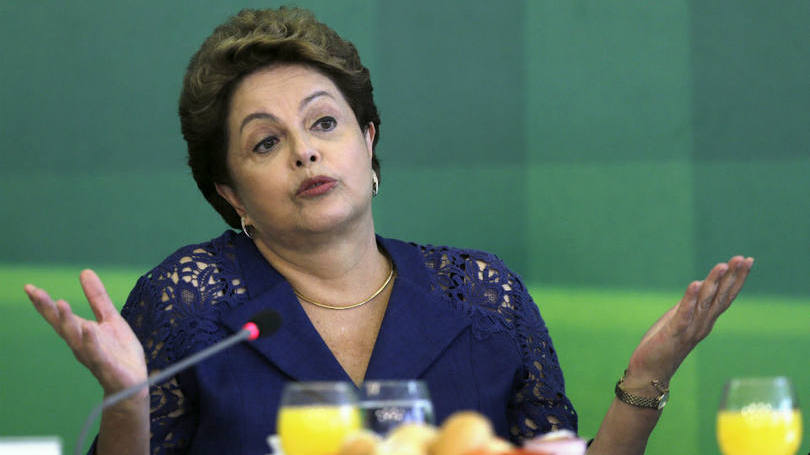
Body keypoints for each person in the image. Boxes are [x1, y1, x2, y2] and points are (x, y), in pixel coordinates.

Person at [24, 7, 753, 455]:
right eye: (265, 142)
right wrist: (125, 398)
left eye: (324, 122)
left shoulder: (482, 296)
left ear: (369, 144)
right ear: (230, 192)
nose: (305, 150)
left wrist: (649, 374)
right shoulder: (191, 304)